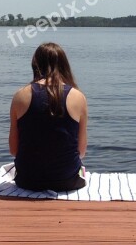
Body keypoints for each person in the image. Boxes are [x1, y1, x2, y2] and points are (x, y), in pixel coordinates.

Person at [9, 42, 88, 191]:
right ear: (64, 65)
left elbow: (14, 150)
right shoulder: (78, 97)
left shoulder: (20, 96)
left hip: (28, 180)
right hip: (67, 180)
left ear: (35, 65)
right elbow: (81, 151)